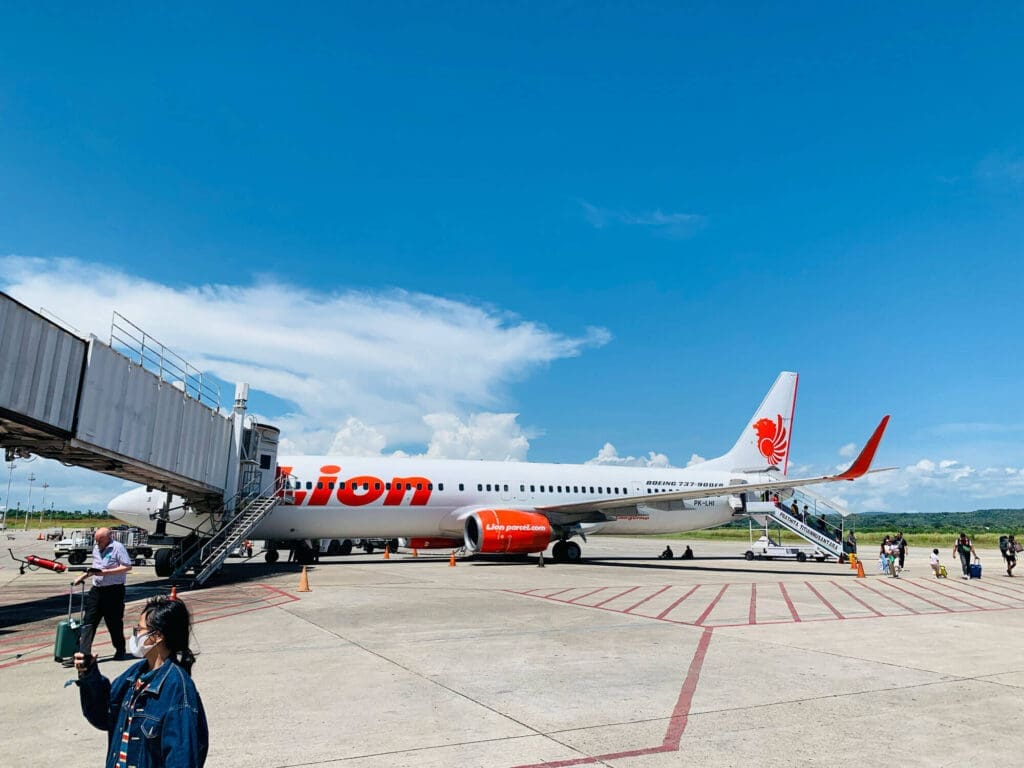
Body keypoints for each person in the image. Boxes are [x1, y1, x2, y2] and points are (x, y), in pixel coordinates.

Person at [74, 596, 208, 768]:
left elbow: (182, 759)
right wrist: (89, 675)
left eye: (140, 629)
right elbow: (102, 717)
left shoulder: (178, 691)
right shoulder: (133, 676)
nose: (135, 634)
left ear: (158, 636)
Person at [73, 527, 133, 660]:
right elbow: (95, 567)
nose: (98, 543)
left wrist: (106, 572)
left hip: (114, 591)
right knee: (89, 621)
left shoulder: (118, 548)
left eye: (100, 541)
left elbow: (127, 566)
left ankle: (120, 649)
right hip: (97, 590)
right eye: (96, 540)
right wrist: (82, 577)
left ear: (108, 538)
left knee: (114, 622)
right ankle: (83, 653)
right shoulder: (96, 548)